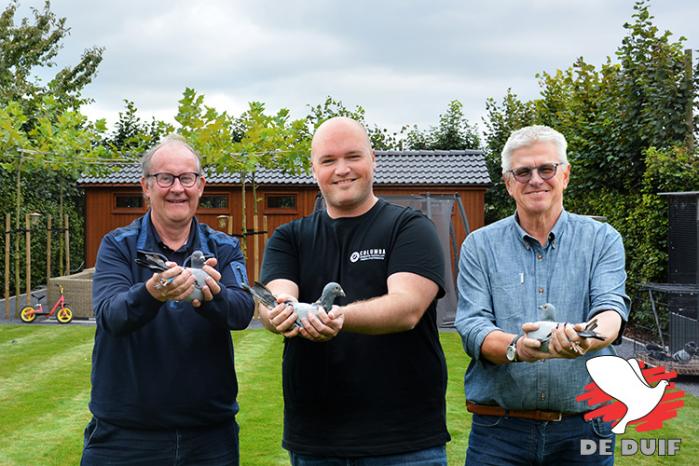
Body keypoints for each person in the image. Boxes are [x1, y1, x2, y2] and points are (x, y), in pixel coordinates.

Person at [259, 117, 451, 465]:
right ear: (313, 169)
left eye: (353, 156)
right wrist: (280, 311)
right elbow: (273, 300)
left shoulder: (409, 227)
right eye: (328, 160)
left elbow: (407, 308)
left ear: (373, 160)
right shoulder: (289, 238)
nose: (342, 169)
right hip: (315, 442)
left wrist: (336, 317)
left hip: (404, 442)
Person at [455, 125, 630, 465]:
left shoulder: (602, 239)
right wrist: (515, 348)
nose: (536, 179)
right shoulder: (480, 245)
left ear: (564, 175)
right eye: (523, 172)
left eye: (546, 168)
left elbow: (610, 311)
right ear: (509, 183)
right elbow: (472, 325)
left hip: (586, 429)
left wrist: (583, 338)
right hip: (499, 433)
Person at [81, 134, 254, 465]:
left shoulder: (225, 248)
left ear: (201, 185)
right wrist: (152, 292)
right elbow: (110, 315)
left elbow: (242, 312)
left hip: (209, 438)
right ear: (145, 186)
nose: (177, 188)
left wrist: (208, 295)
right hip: (125, 438)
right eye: (165, 178)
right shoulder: (118, 246)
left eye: (186, 178)